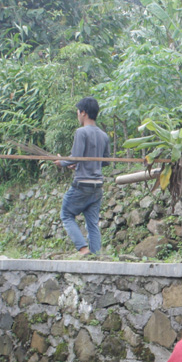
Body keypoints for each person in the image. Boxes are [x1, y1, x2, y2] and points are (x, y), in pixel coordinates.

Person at [55, 96, 112, 257]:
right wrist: (75, 163)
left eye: (78, 112)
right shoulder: (104, 135)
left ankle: (83, 249)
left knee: (66, 215)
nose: (78, 115)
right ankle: (96, 255)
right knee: (92, 223)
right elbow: (105, 161)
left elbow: (77, 156)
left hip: (82, 184)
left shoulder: (81, 132)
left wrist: (62, 162)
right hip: (97, 185)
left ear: (83, 113)